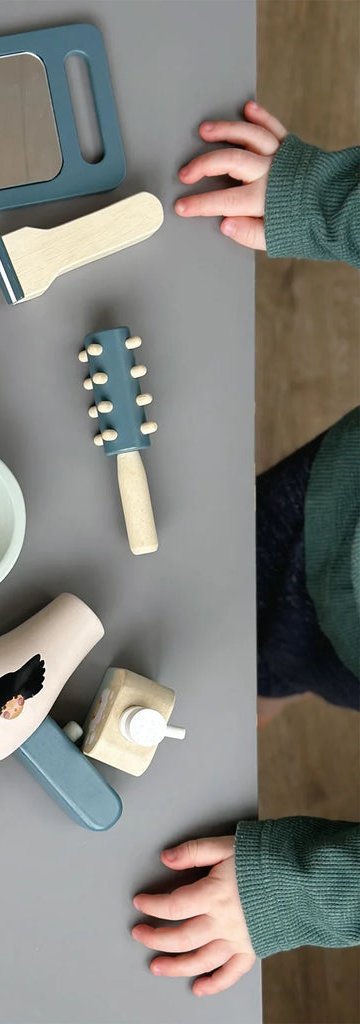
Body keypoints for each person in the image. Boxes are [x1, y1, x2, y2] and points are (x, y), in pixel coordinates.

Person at [131, 101, 360, 996]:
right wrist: (325, 196)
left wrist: (300, 897)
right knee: (245, 627)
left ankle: (260, 685)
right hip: (333, 517)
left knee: (257, 668)